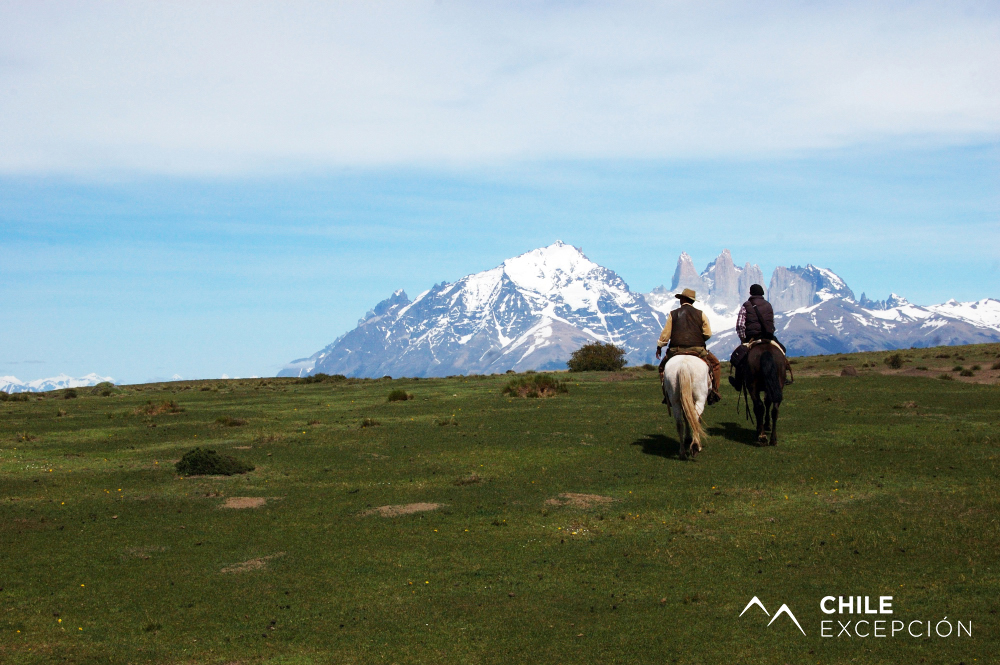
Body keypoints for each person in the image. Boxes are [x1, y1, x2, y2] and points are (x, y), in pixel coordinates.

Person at [655, 288, 722, 405]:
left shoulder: (673, 314)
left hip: (676, 349)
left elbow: (666, 334)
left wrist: (660, 346)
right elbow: (708, 334)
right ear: (692, 301)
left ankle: (667, 395)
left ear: (683, 299)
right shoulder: (701, 314)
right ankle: (714, 392)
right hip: (697, 349)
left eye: (681, 298)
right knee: (715, 364)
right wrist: (699, 339)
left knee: (662, 368)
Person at [729, 284, 789, 391]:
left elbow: (740, 325)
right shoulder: (768, 305)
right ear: (762, 293)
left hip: (752, 337)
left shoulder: (746, 305)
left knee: (739, 357)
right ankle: (783, 376)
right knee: (782, 351)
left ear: (750, 293)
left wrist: (743, 339)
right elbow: (771, 322)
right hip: (768, 337)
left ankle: (738, 382)